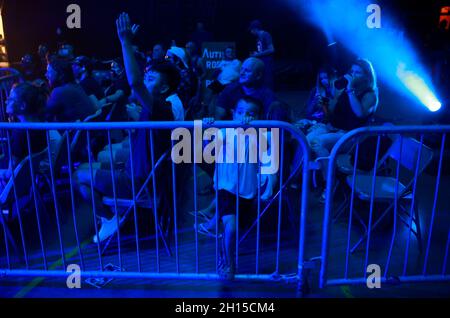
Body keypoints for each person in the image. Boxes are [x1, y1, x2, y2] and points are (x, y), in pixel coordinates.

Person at [74, 13, 177, 243]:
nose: (146, 80)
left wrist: (125, 42)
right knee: (92, 166)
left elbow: (135, 82)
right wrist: (131, 47)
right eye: (147, 76)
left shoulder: (160, 107)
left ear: (163, 88)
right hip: (133, 174)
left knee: (78, 177)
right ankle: (111, 216)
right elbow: (138, 78)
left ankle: (109, 217)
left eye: (152, 79)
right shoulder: (157, 106)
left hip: (137, 184)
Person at [206, 96, 277, 279]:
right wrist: (208, 128)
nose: (245, 116)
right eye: (240, 112)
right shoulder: (224, 132)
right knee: (231, 226)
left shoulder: (261, 135)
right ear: (233, 113)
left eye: (251, 114)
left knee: (236, 227)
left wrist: (252, 130)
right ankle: (229, 263)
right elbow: (208, 150)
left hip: (247, 192)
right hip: (225, 189)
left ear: (259, 117)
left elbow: (268, 153)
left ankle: (224, 248)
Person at [307, 58, 379, 199]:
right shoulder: (347, 90)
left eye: (357, 72)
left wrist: (350, 91)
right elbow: (334, 114)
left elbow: (360, 113)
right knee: (307, 138)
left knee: (318, 142)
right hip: (335, 129)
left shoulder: (370, 95)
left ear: (367, 76)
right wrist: (326, 103)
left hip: (352, 137)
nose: (353, 75)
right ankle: (312, 179)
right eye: (351, 71)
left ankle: (329, 183)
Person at [0, 83, 48, 187]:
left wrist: (1, 173)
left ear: (22, 106)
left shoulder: (20, 134)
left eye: (11, 99)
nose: (5, 101)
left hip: (14, 186)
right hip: (29, 180)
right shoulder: (40, 126)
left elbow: (9, 174)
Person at [45, 58, 98, 122]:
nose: (46, 75)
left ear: (60, 75)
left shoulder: (59, 92)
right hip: (86, 130)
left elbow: (45, 115)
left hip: (76, 130)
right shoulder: (76, 86)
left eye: (49, 72)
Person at [248, 20, 275, 89]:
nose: (251, 32)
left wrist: (258, 54)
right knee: (261, 80)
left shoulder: (266, 34)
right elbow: (261, 51)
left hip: (267, 61)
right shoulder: (258, 38)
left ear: (255, 29)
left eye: (251, 30)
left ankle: (269, 97)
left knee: (267, 81)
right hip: (261, 61)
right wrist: (256, 54)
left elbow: (271, 49)